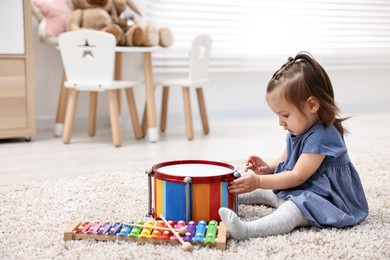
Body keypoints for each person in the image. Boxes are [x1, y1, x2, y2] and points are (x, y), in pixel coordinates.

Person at [219, 51, 368, 240]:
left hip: (326, 199)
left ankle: (247, 231)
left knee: (293, 210)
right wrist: (267, 168)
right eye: (278, 116)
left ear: (312, 105)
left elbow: (297, 176)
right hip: (304, 188)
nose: (281, 123)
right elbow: (285, 157)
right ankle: (226, 197)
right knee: (268, 191)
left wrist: (257, 180)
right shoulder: (297, 129)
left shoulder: (323, 136)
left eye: (285, 115)